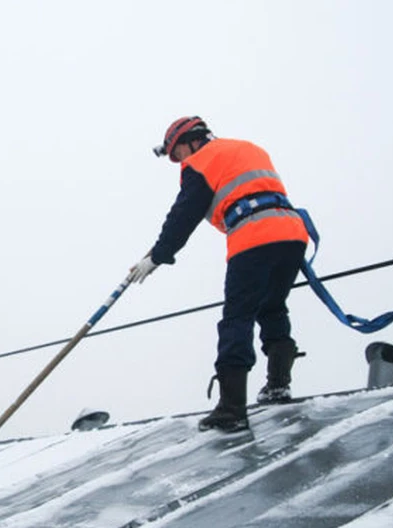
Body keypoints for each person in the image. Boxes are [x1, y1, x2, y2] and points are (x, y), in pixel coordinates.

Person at [128, 116, 309, 433]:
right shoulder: (247, 148)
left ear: (191, 141)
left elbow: (184, 214)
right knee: (272, 306)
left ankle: (231, 408)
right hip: (292, 233)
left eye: (178, 154)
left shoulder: (201, 161)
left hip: (252, 236)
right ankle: (279, 385)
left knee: (237, 317)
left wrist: (158, 256)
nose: (180, 161)